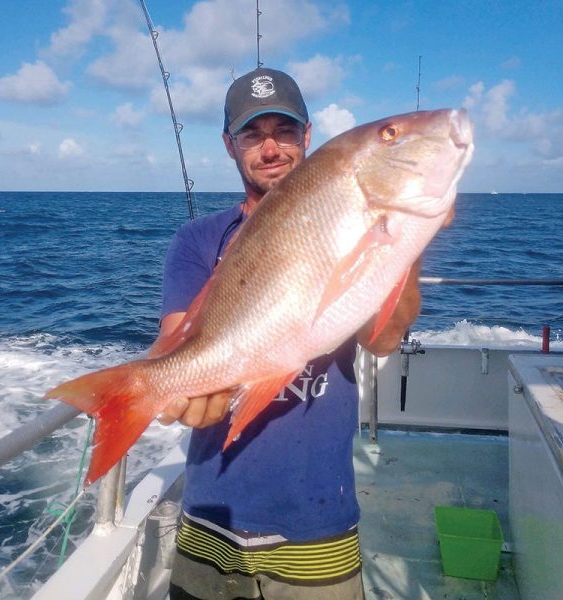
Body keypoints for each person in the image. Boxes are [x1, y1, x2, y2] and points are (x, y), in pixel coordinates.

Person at [150, 67, 422, 600]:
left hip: (317, 523)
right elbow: (176, 343)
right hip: (210, 516)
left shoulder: (352, 223)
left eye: (285, 130)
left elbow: (385, 339)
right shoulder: (198, 240)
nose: (271, 147)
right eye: (253, 133)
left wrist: (401, 236)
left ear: (308, 136)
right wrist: (166, 387)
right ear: (230, 146)